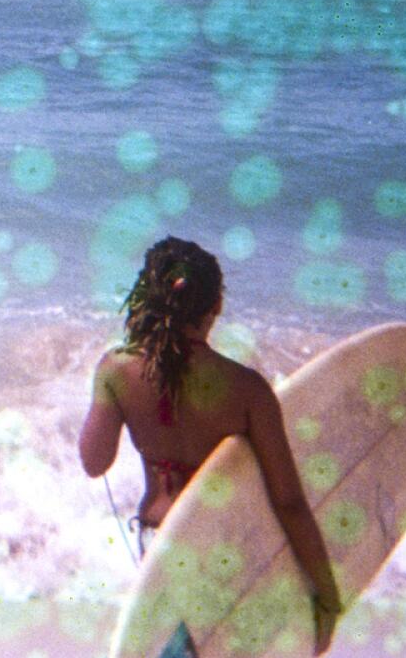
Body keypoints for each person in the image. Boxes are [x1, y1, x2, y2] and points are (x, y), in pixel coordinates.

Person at [78, 237, 344, 656]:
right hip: (222, 545)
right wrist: (326, 593)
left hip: (159, 542)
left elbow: (94, 463)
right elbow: (289, 500)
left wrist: (110, 391)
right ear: (215, 305)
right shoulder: (248, 389)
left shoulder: (116, 370)